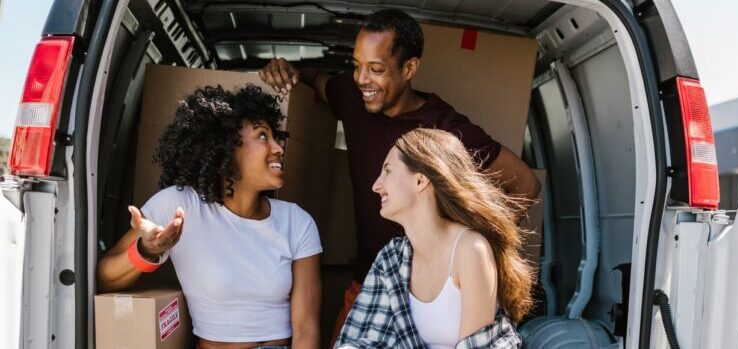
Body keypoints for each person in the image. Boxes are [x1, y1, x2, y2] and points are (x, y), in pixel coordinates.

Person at [258, 8, 541, 339]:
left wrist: (464, 244)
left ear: (410, 68)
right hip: (368, 280)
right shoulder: (351, 96)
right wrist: (285, 69)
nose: (362, 79)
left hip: (431, 289)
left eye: (376, 69)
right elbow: (315, 80)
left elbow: (525, 182)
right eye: (356, 65)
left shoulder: (444, 129)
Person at [96, 85, 322, 349]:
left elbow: (306, 330)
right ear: (226, 148)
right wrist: (147, 251)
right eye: (262, 136)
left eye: (276, 137)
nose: (279, 148)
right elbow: (104, 278)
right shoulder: (180, 206)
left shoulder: (297, 222)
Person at [335, 128, 534, 348]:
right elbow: (363, 338)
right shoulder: (393, 257)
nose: (376, 185)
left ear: (420, 181)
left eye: (388, 171)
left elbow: (479, 347)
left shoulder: (469, 249)